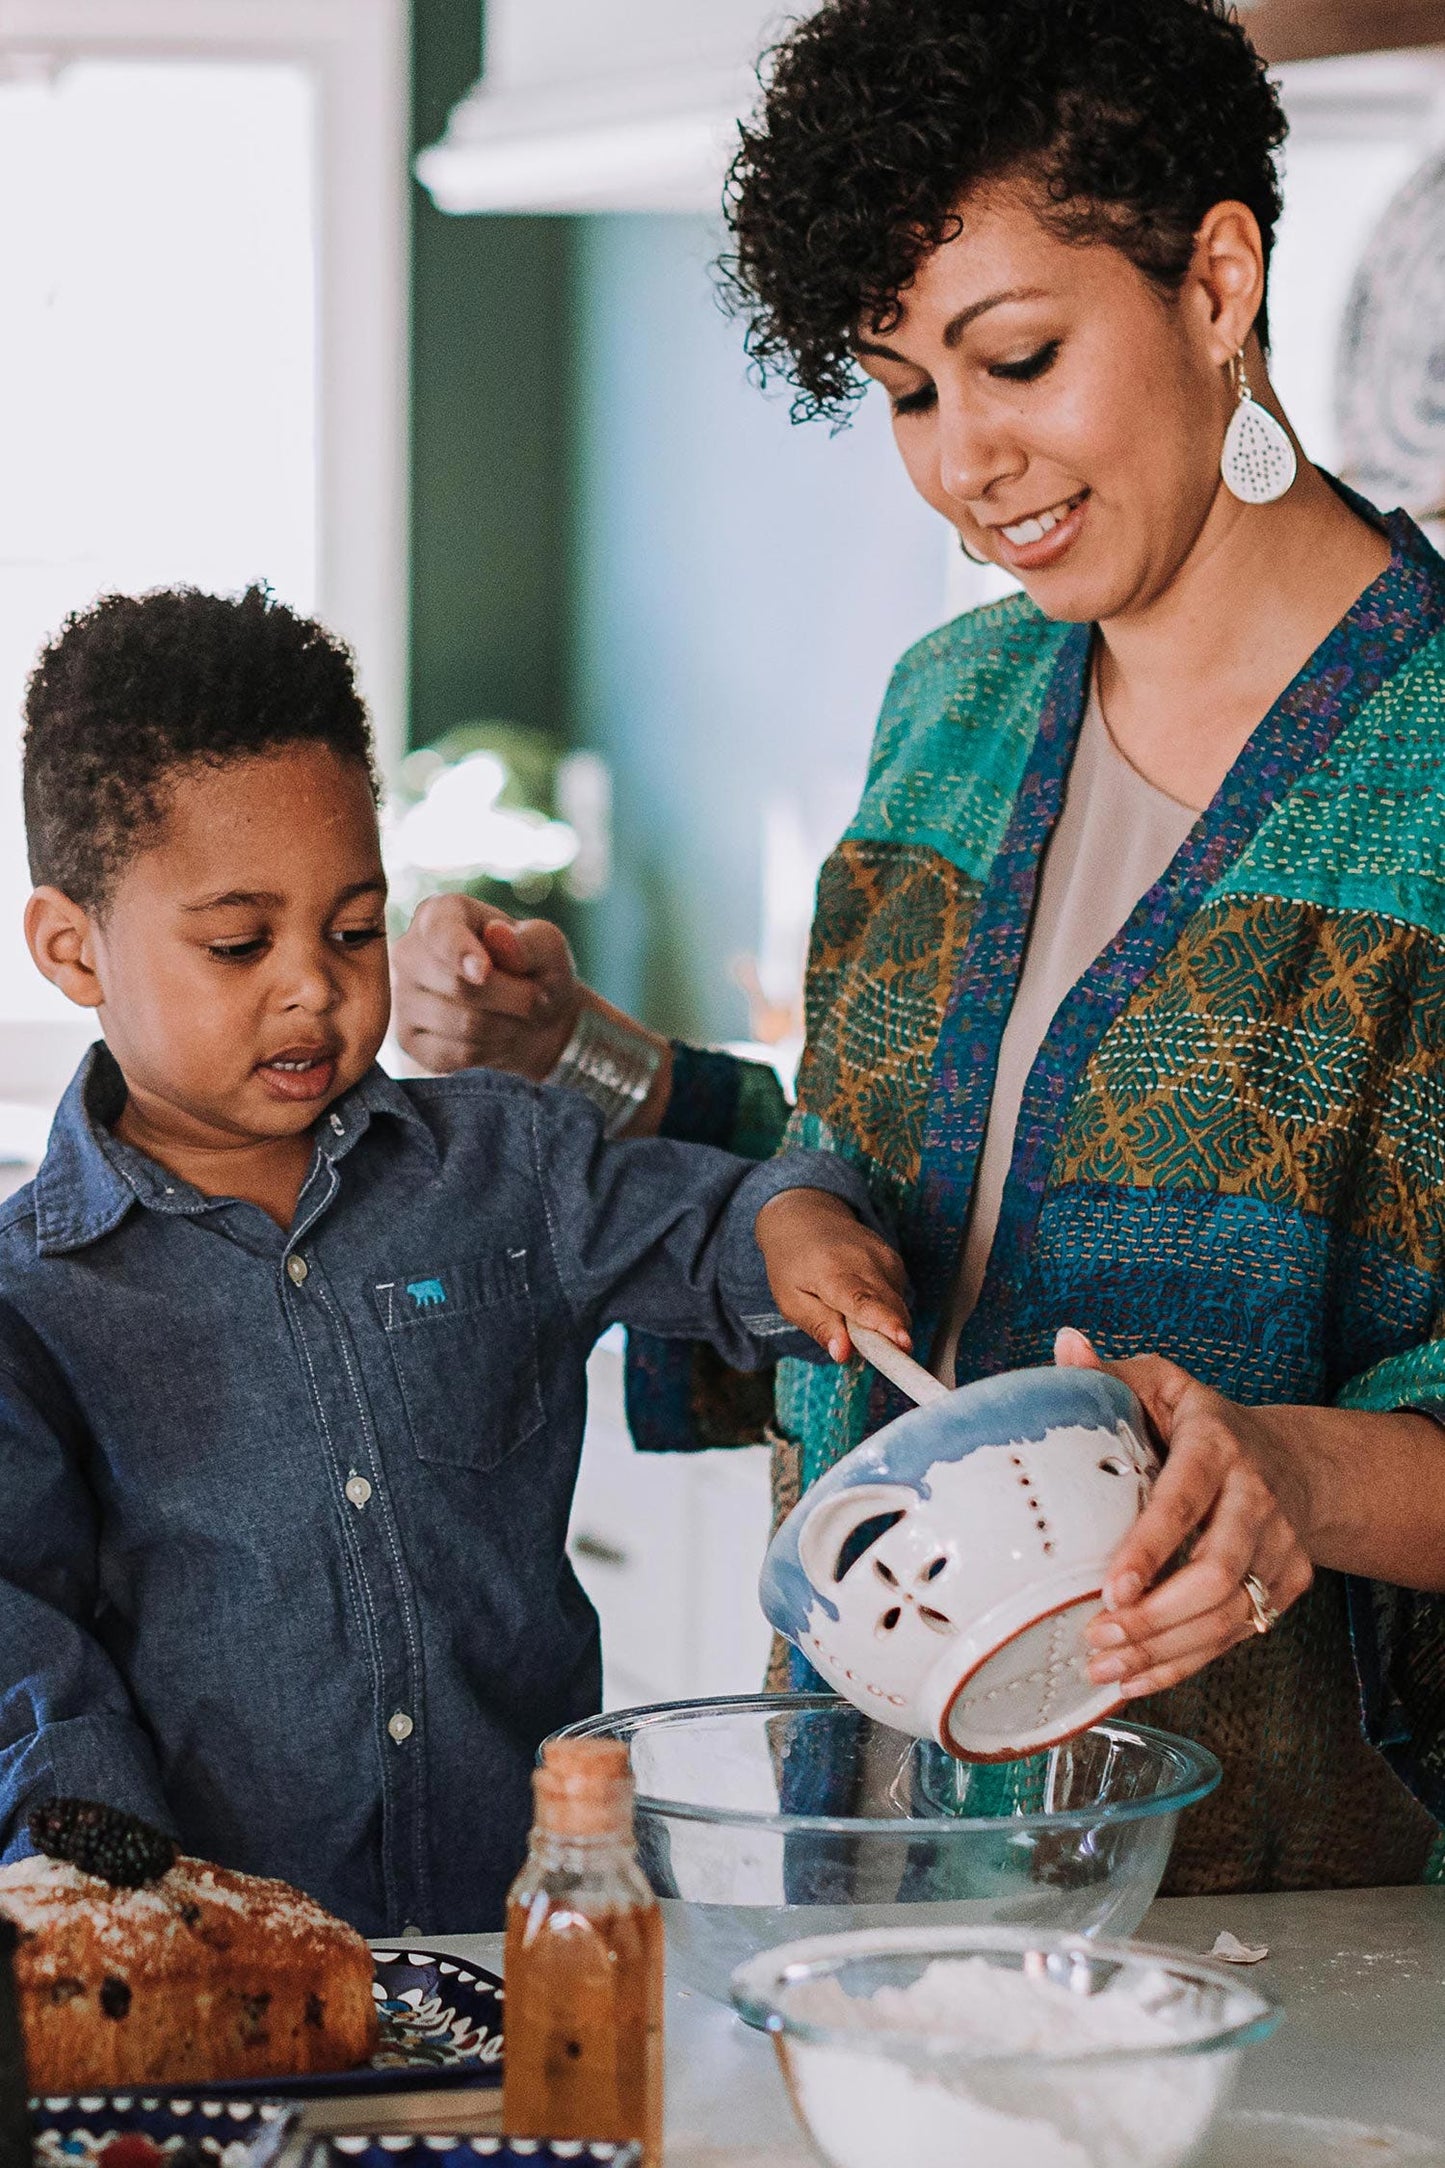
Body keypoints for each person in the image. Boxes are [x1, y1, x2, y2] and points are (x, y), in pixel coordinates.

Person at [392, 0, 1445, 1894]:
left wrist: (1294, 1477)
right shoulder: (947, 713)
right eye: (901, 389)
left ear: (1216, 280)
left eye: (1014, 359)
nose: (964, 462)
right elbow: (878, 1208)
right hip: (869, 1859)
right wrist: (584, 1061)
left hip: (1282, 1911)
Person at [0, 584, 910, 1933]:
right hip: (224, 1968)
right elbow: (25, 1647)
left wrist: (794, 1219)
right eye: (239, 945)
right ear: (73, 949)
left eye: (354, 929)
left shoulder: (506, 1167)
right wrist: (121, 1890)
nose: (312, 984)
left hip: (536, 1937)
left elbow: (717, 1227)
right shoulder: (33, 1302)